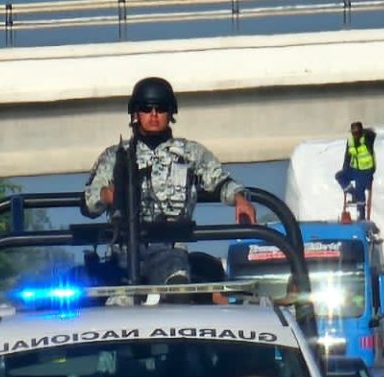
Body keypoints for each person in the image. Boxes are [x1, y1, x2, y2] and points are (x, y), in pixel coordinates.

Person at [82, 76, 257, 285]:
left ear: (170, 112)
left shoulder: (190, 153)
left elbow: (220, 181)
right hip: (123, 255)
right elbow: (88, 204)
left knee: (177, 293)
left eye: (161, 108)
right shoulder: (115, 157)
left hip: (171, 252)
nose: (154, 115)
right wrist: (106, 195)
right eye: (146, 108)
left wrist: (240, 199)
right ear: (136, 113)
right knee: (116, 309)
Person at [334, 121, 376, 219]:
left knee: (360, 189)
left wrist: (365, 133)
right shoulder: (351, 141)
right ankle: (353, 193)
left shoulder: (367, 138)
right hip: (355, 168)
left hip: (366, 169)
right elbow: (347, 156)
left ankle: (361, 215)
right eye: (354, 133)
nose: (355, 135)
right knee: (339, 176)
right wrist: (345, 169)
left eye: (357, 132)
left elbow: (372, 135)